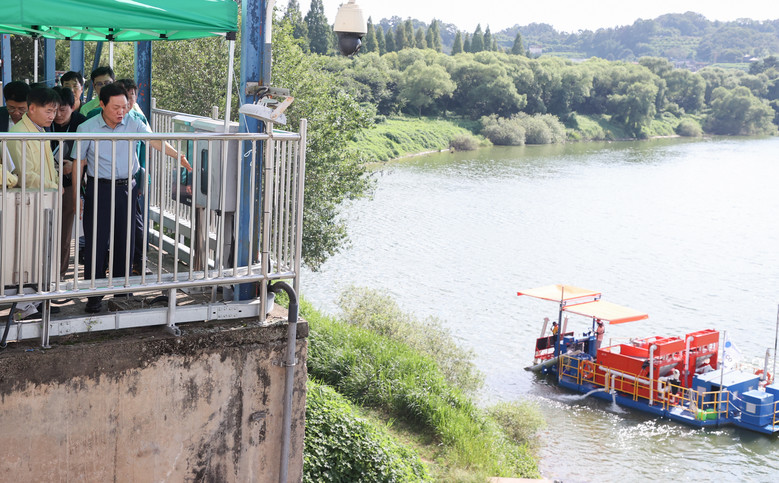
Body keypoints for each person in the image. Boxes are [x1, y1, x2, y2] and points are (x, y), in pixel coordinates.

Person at [76, 83, 190, 314]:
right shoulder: (87, 127)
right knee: (96, 243)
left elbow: (154, 140)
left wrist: (178, 156)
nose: (121, 111)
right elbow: (80, 162)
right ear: (102, 104)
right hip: (99, 188)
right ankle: (94, 295)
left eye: (124, 106)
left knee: (125, 241)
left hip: (127, 188)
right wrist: (78, 195)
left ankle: (122, 293)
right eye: (116, 107)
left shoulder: (134, 122)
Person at [51, 86, 87, 279]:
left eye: (62, 110)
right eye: (54, 110)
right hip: (47, 183)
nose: (57, 115)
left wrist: (75, 165)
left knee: (64, 233)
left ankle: (59, 273)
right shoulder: (46, 122)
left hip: (69, 183)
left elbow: (93, 153)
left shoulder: (82, 123)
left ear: (73, 107)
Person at [8, 87, 60, 189]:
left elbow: (50, 166)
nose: (52, 116)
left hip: (46, 192)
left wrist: (56, 182)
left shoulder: (41, 130)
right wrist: (54, 186)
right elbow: (25, 176)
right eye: (48, 111)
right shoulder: (18, 134)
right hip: (30, 196)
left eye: (54, 111)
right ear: (32, 109)